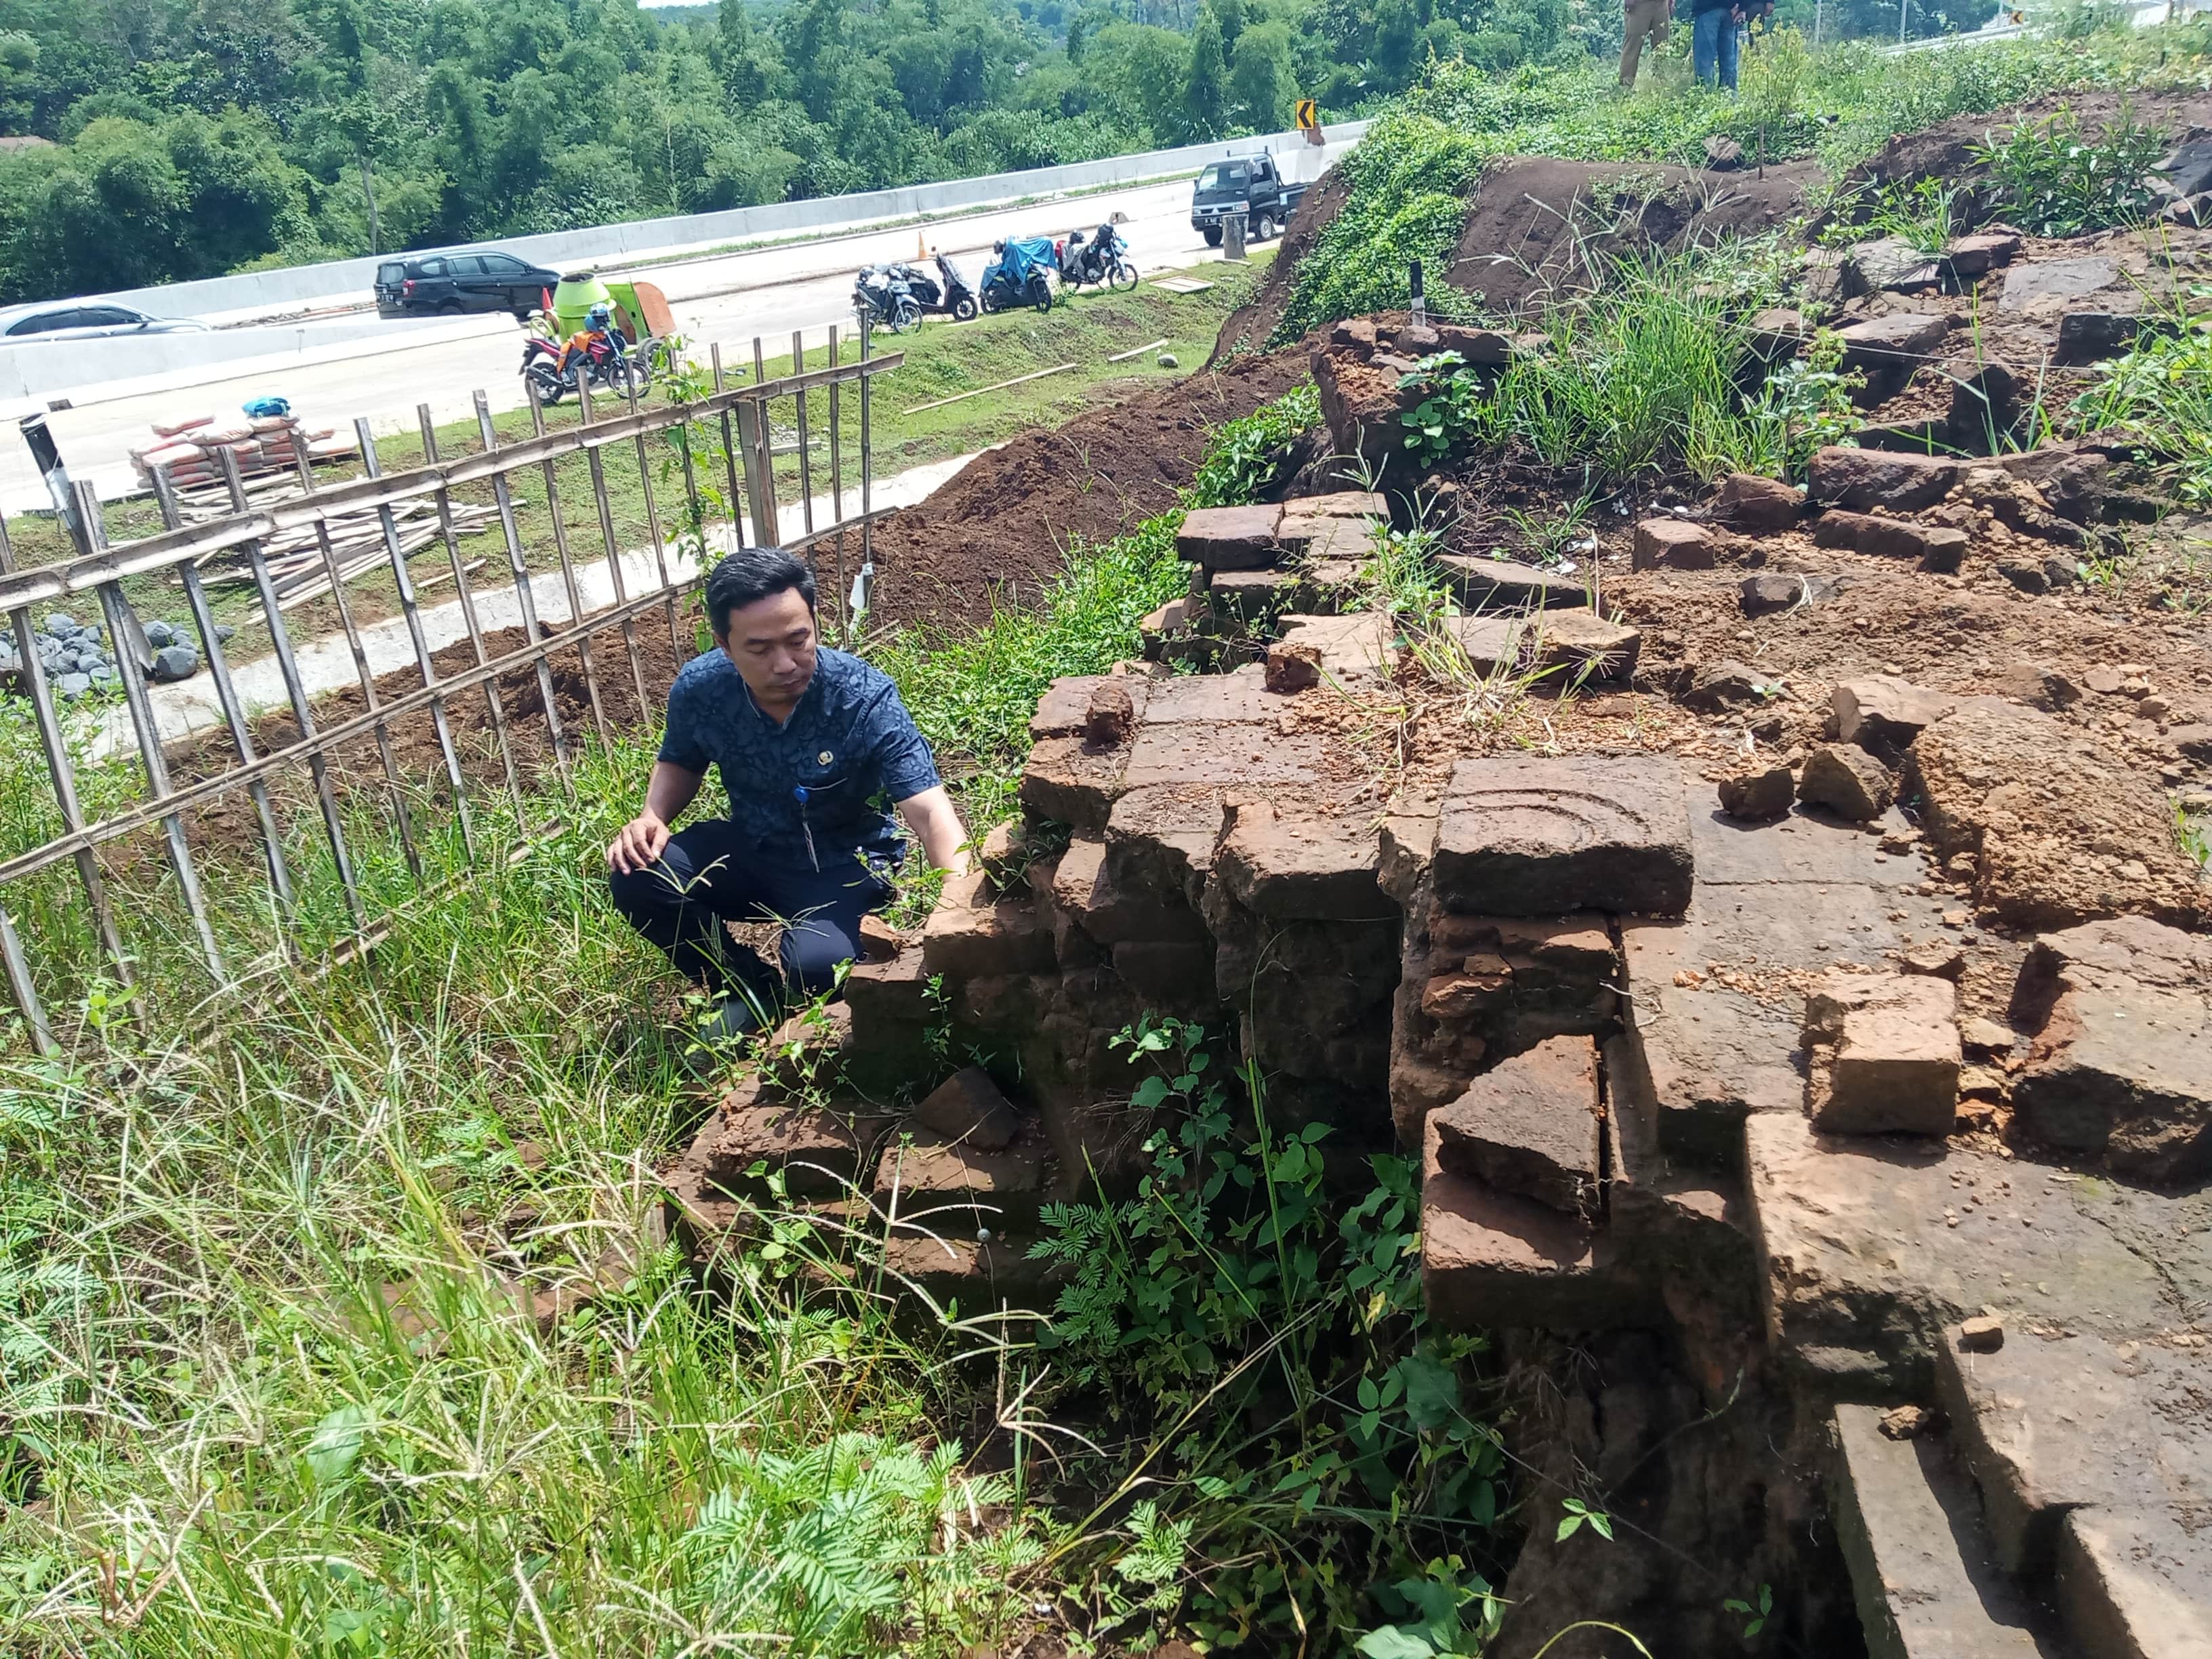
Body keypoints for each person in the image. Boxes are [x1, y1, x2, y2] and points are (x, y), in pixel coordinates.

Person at [606, 546, 969, 1042]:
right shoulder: (701, 689)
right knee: (640, 871)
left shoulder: (862, 697)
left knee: (819, 969)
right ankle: (743, 988)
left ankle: (809, 973)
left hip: (845, 864)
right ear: (724, 645)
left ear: (816, 621)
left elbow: (928, 809)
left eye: (799, 640)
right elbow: (680, 760)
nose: (785, 664)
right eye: (759, 649)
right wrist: (653, 814)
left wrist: (959, 901)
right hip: (755, 847)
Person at [1620, 0, 1671, 87]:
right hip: (1639, 4)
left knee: (1662, 46)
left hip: (1661, 4)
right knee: (1633, 45)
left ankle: (1660, 85)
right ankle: (1626, 86)